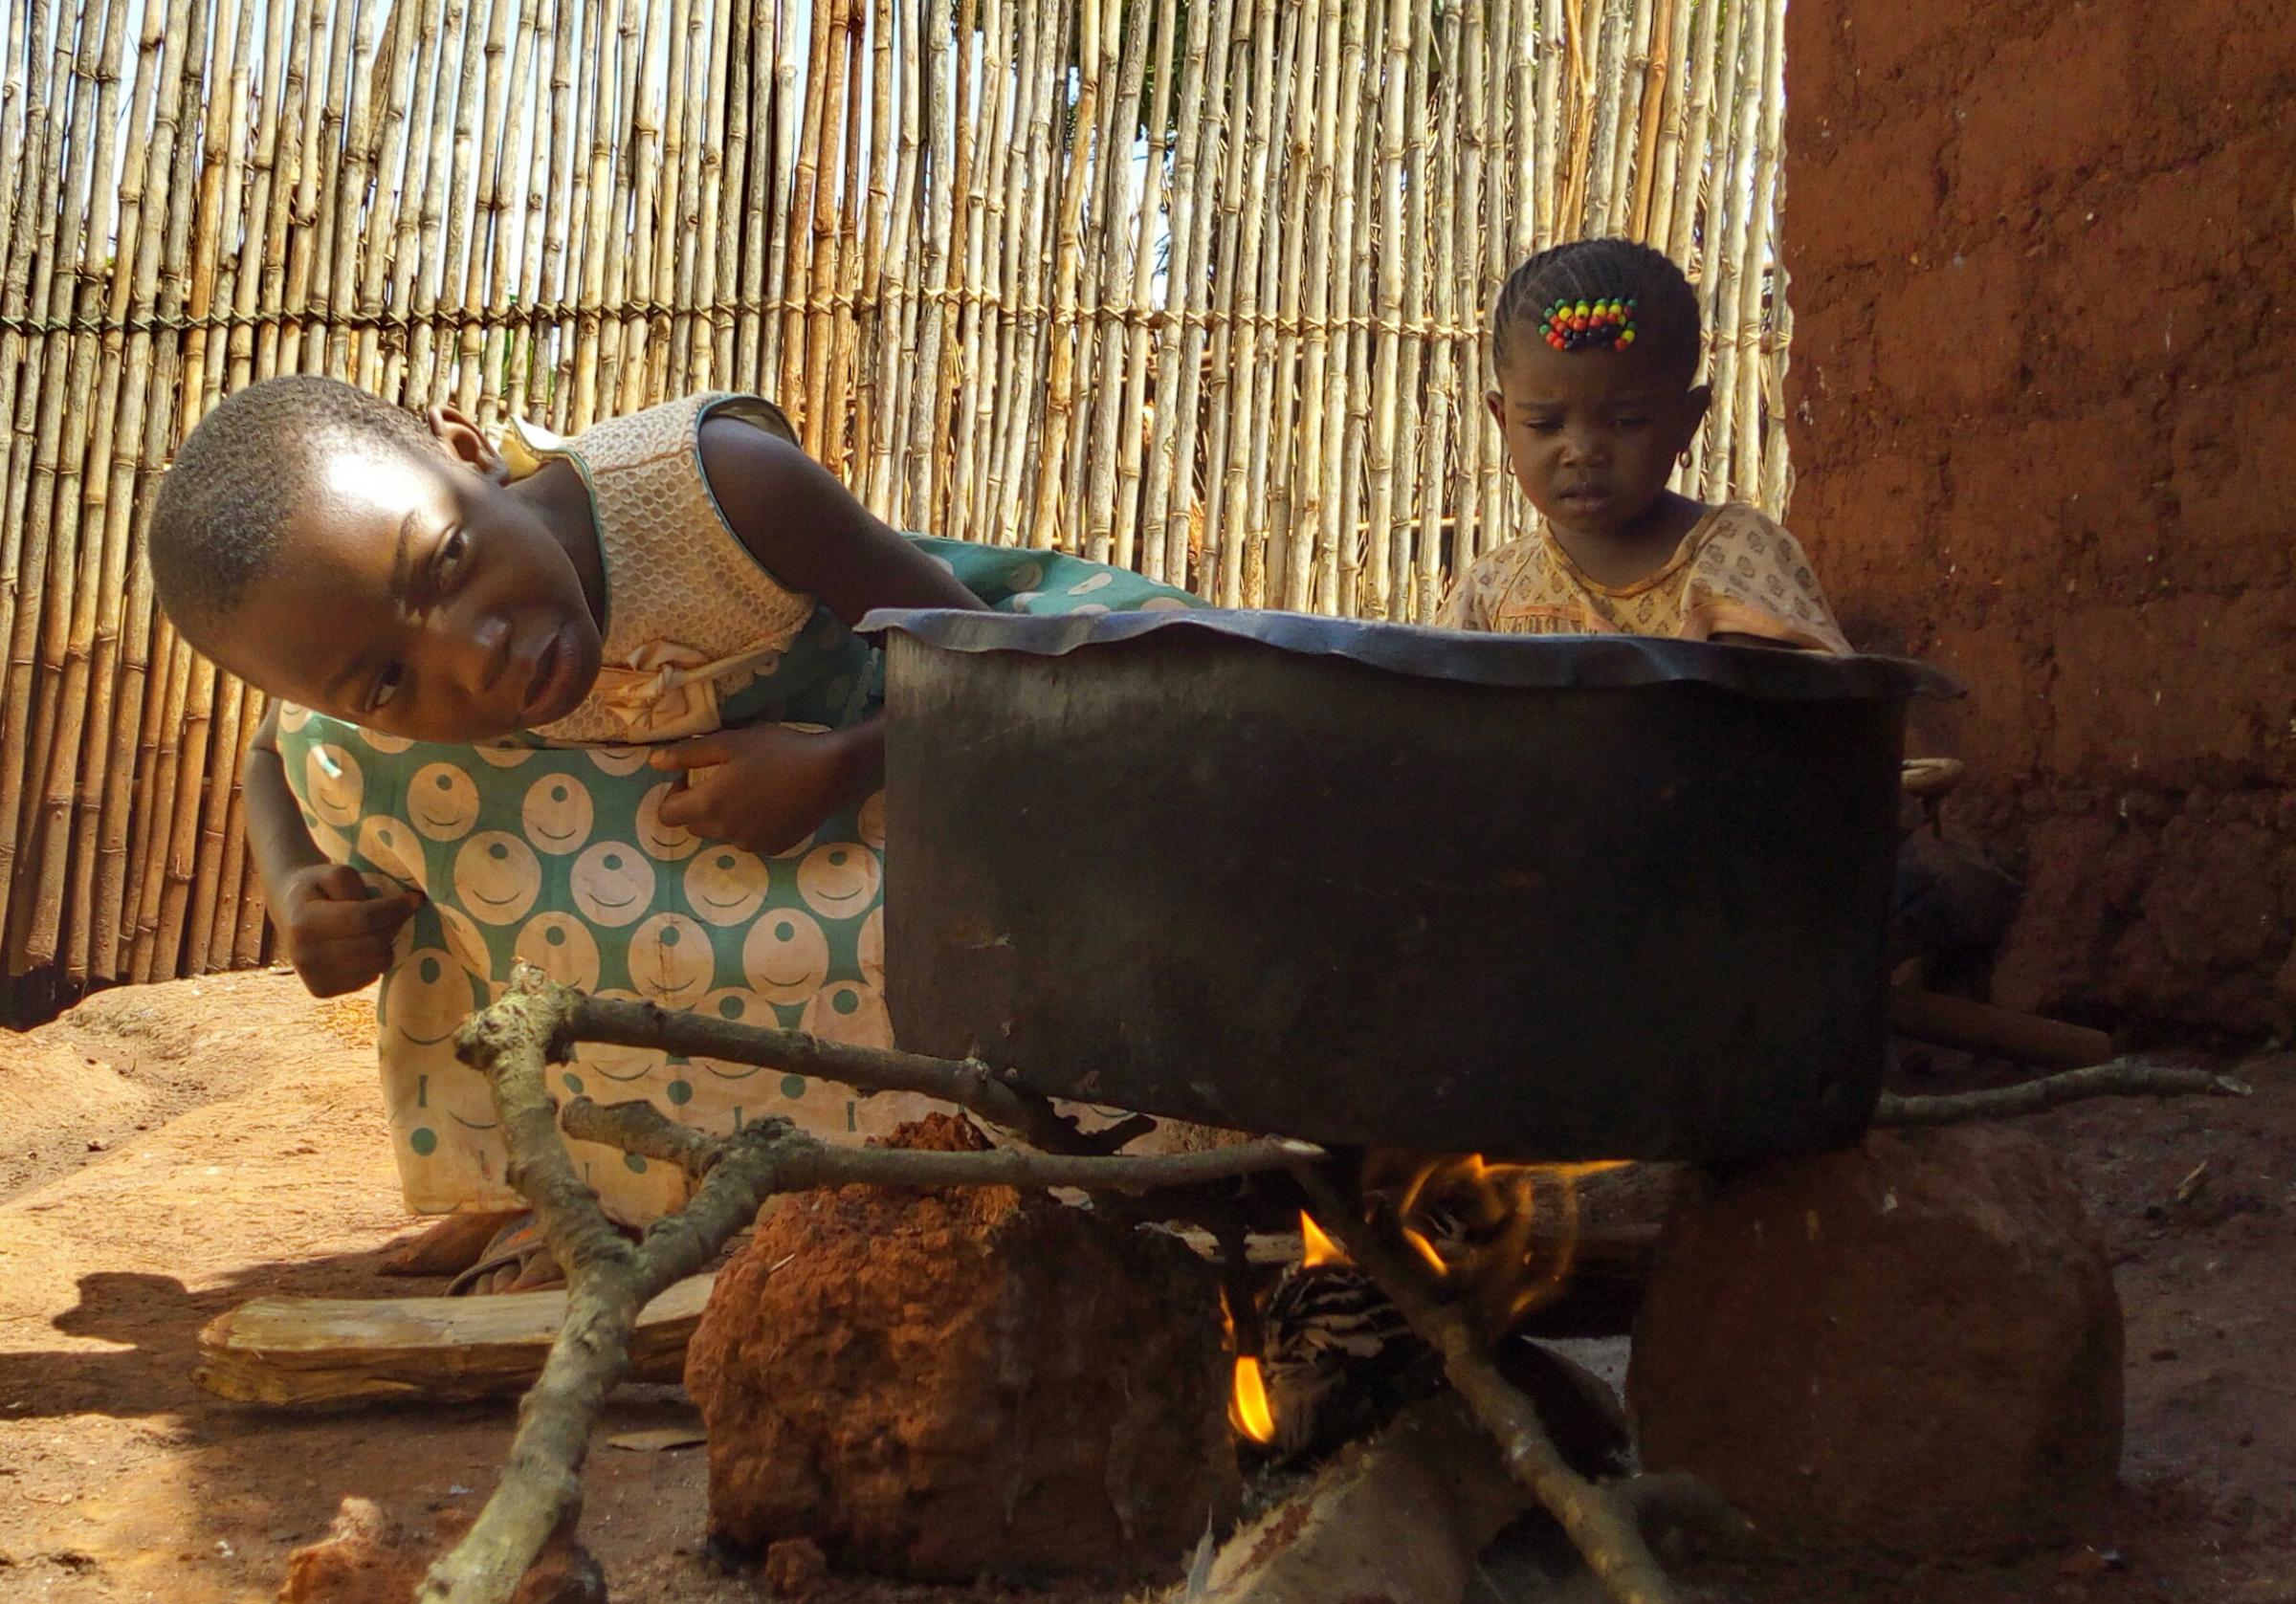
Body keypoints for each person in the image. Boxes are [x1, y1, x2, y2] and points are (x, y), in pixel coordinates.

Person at [147, 378, 1199, 1290]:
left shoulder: (724, 490)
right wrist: (295, 886)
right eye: (387, 678)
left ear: (464, 451)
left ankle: (998, 1159)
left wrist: (837, 764)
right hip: (695, 855)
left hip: (929, 747)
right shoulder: (360, 692)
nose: (473, 655)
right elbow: (283, 747)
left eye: (448, 562)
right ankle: (582, 1180)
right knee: (383, 778)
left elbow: (1002, 670)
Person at [1437, 236, 1849, 653]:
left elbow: (1759, 691)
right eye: (1545, 424)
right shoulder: (1490, 594)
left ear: (1687, 421)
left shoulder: (1736, 562)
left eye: (1626, 421)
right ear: (1503, 421)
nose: (1582, 451)